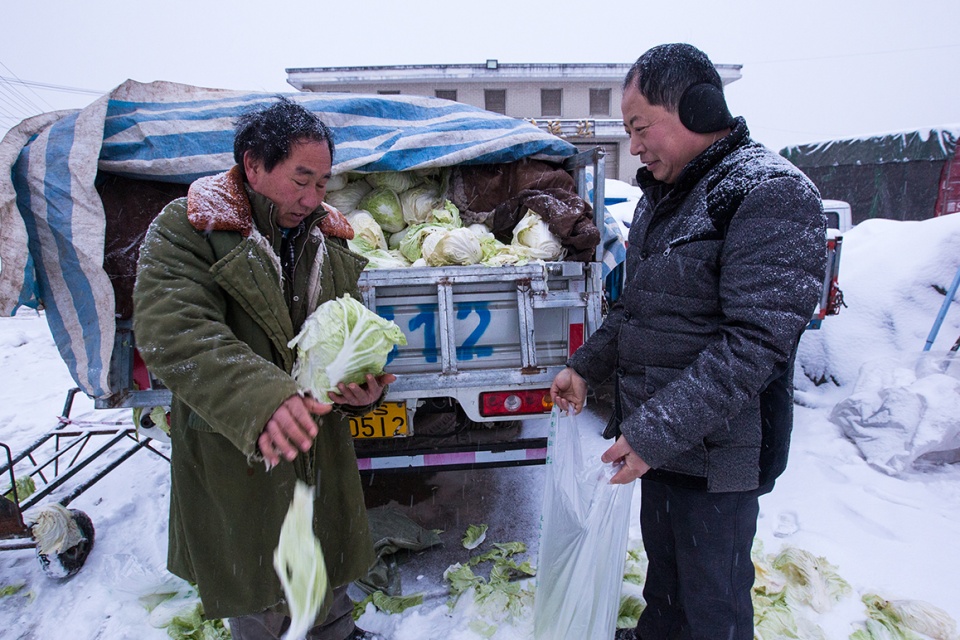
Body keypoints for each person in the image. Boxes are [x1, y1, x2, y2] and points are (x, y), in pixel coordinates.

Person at [550, 44, 826, 640]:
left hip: (720, 456)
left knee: (712, 609)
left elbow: (753, 344)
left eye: (641, 127)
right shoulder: (668, 196)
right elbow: (639, 307)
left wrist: (651, 433)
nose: (636, 146)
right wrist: (586, 367)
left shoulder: (770, 193)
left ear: (698, 109)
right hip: (664, 441)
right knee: (666, 588)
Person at [133, 97, 391, 640]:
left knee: (329, 573)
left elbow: (337, 333)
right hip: (239, 449)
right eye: (301, 179)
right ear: (253, 165)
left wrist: (356, 388)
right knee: (259, 587)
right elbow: (175, 331)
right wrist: (264, 398)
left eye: (322, 183)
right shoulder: (188, 228)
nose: (312, 197)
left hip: (317, 445)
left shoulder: (330, 241)